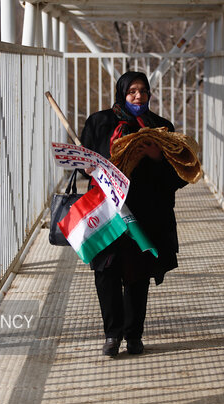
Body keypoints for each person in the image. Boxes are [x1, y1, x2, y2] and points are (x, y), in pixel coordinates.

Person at [80, 71, 188, 356]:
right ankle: (112, 335)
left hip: (144, 212)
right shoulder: (99, 122)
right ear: (122, 94)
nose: (137, 97)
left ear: (149, 94)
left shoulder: (160, 127)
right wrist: (88, 167)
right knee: (106, 271)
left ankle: (134, 336)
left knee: (137, 274)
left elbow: (177, 173)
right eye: (132, 92)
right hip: (106, 210)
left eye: (142, 91)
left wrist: (155, 157)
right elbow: (85, 159)